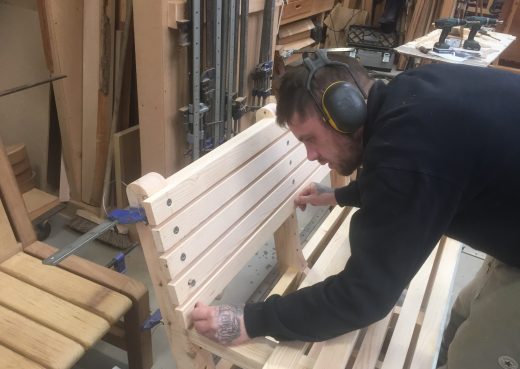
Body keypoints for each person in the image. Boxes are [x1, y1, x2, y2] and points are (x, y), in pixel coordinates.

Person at [191, 51, 520, 368]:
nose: (311, 156)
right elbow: (408, 177)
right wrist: (339, 195)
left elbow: (365, 296)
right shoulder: (410, 94)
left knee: (477, 356)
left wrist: (248, 321)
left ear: (345, 112)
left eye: (310, 139)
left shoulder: (408, 154)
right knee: (464, 314)